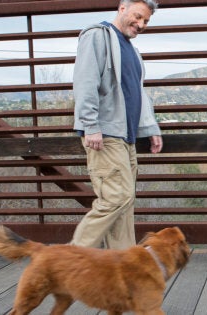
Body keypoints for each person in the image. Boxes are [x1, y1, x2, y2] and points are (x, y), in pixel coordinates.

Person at [71, 0, 162, 250]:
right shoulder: (97, 36)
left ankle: (123, 267)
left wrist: (150, 128)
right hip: (106, 134)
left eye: (146, 21)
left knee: (125, 204)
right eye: (138, 16)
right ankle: (70, 257)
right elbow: (85, 81)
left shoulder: (132, 50)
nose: (141, 24)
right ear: (122, 8)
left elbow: (137, 94)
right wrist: (90, 125)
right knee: (115, 198)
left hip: (126, 137)